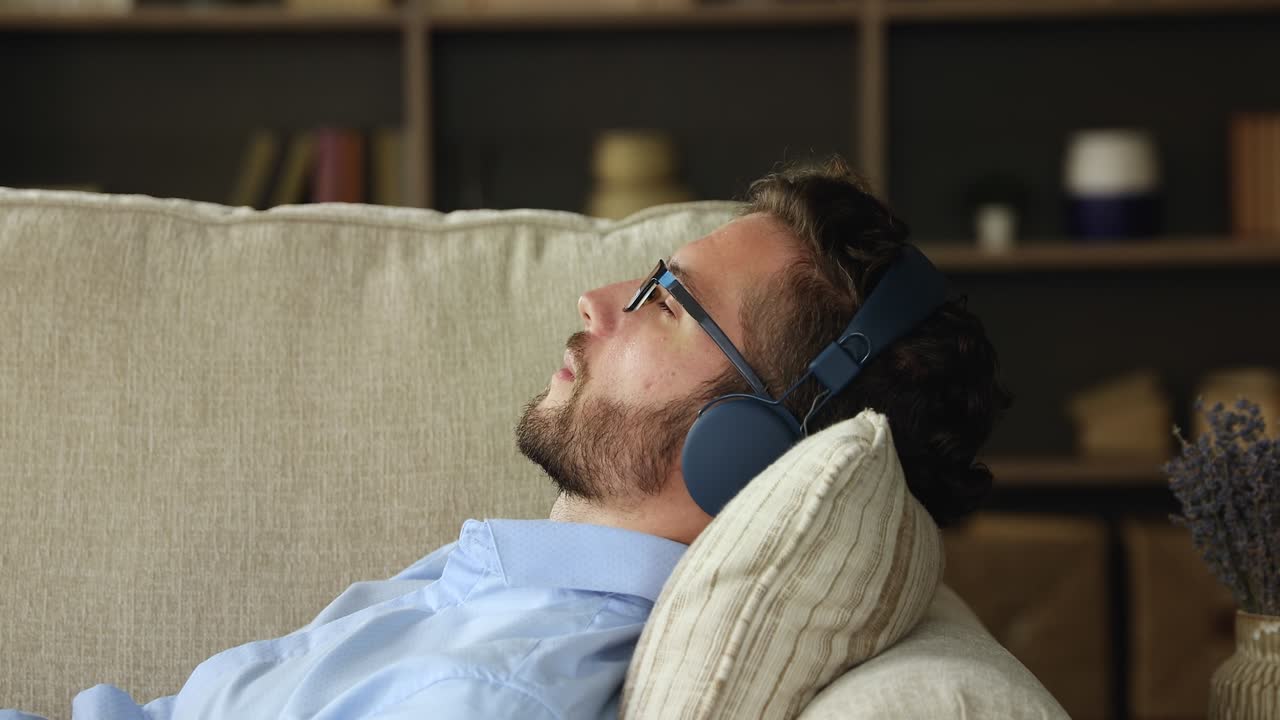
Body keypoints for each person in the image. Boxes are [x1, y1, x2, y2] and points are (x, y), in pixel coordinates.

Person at [1, 157, 1010, 720]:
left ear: (740, 447)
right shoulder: (503, 598)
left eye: (666, 303)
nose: (596, 300)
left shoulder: (492, 689)